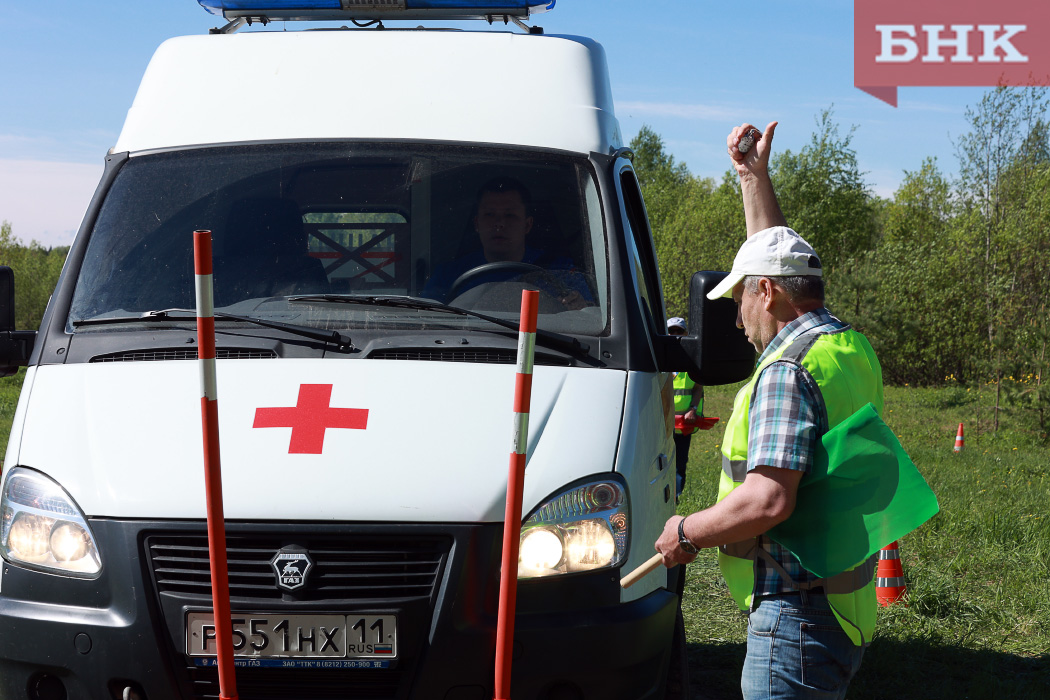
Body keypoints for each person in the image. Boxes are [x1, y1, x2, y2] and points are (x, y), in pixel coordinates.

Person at [654, 121, 884, 700]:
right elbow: (775, 252)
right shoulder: (844, 347)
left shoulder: (786, 371)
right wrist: (753, 178)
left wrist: (688, 530)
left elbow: (768, 499)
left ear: (767, 293)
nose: (736, 321)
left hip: (795, 619)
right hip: (840, 609)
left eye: (740, 301)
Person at [421, 177, 593, 308]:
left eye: (510, 215)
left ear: (527, 224)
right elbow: (425, 320)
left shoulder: (561, 272)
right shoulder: (447, 276)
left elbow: (588, 317)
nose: (499, 224)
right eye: (489, 215)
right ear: (476, 224)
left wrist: (579, 307)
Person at [667, 317, 704, 498]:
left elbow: (698, 388)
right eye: (671, 331)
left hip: (684, 423)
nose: (675, 335)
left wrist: (693, 409)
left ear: (686, 334)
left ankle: (677, 497)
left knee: (680, 462)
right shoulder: (660, 360)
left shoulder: (691, 361)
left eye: (679, 331)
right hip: (663, 423)